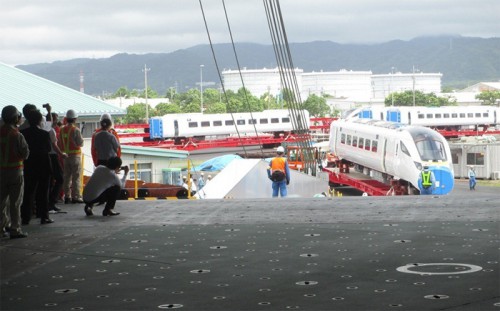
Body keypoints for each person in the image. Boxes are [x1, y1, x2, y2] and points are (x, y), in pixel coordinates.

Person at [20, 110, 54, 224]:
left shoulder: (23, 133)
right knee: (43, 191)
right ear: (40, 121)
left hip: (29, 164)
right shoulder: (44, 134)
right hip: (43, 164)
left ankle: (26, 217)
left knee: (28, 191)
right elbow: (49, 148)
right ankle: (44, 216)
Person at [0, 106, 30, 238]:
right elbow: (25, 154)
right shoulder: (17, 135)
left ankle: (2, 227)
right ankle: (15, 229)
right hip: (15, 172)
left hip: (1, 173)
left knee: (1, 202)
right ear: (15, 118)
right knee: (15, 203)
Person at [58, 109, 84, 204]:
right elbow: (80, 143)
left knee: (67, 177)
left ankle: (67, 197)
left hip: (65, 157)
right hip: (75, 156)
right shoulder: (75, 130)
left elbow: (60, 143)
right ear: (74, 119)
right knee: (76, 177)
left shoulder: (61, 130)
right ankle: (76, 197)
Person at [47, 113, 67, 212]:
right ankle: (52, 202)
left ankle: (48, 203)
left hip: (45, 157)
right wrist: (61, 154)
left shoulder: (42, 130)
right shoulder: (51, 131)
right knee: (60, 178)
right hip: (53, 156)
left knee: (49, 180)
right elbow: (54, 145)